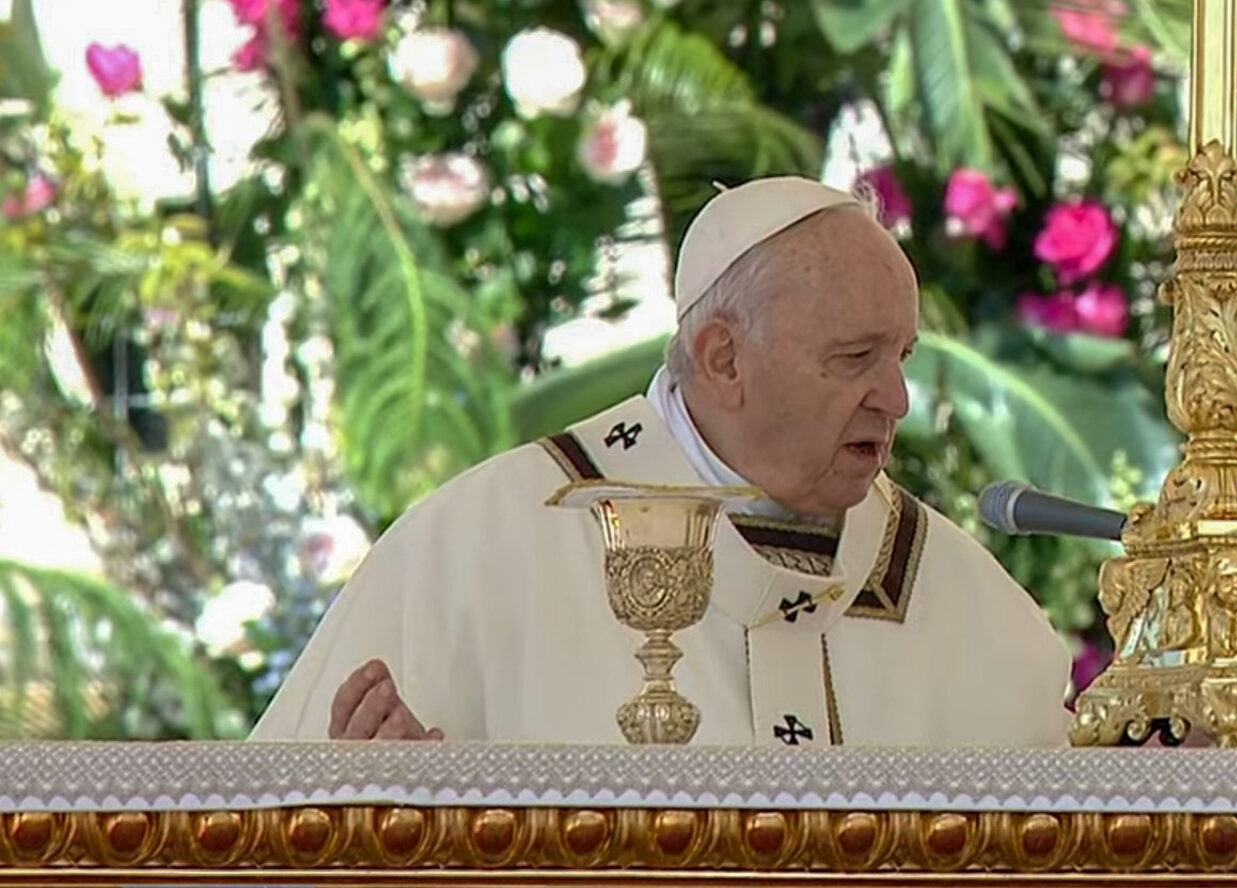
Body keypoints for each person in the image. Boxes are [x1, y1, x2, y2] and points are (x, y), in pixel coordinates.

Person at [251, 176, 1072, 746]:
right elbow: (265, 836)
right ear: (722, 358)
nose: (895, 398)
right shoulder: (485, 549)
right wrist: (379, 830)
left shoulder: (966, 604)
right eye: (854, 358)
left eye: (901, 356)